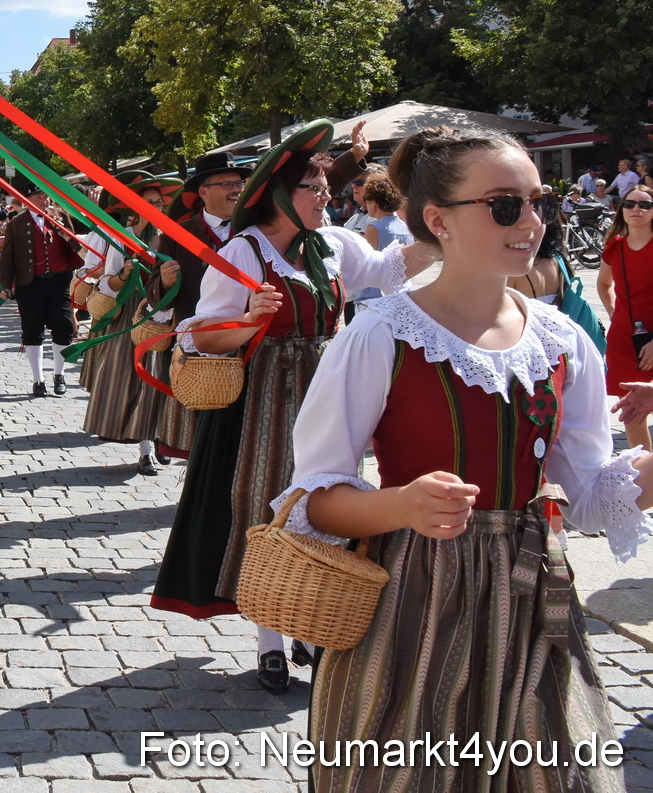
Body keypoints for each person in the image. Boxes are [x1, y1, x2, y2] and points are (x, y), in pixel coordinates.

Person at [276, 126, 652, 791]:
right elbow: (313, 501)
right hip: (412, 599)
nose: (531, 221)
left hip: (534, 600)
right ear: (438, 220)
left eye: (540, 201)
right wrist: (400, 504)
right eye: (505, 205)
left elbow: (592, 498)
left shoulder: (563, 341)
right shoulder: (380, 334)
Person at [149, 120, 438, 693]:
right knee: (267, 503)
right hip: (265, 400)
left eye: (328, 188)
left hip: (330, 389)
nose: (327, 197)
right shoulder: (244, 250)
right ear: (281, 194)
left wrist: (444, 226)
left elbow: (389, 271)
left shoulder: (333, 244)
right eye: (315, 188)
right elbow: (200, 337)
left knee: (330, 500)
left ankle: (309, 618)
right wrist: (248, 320)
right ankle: (270, 641)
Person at [78, 172, 178, 475]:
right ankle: (146, 449)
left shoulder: (169, 235)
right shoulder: (121, 237)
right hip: (131, 314)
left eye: (158, 203)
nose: (155, 208)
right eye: (149, 203)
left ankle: (161, 438)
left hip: (166, 311)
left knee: (167, 379)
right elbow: (107, 284)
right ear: (135, 206)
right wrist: (124, 275)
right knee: (138, 381)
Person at [155, 153, 245, 463]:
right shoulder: (176, 234)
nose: (236, 190)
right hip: (197, 355)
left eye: (239, 183)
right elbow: (154, 299)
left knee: (240, 437)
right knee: (199, 440)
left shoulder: (254, 230)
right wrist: (164, 283)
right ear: (203, 191)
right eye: (227, 184)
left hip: (246, 347)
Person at [0, 187, 81, 397]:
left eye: (46, 197)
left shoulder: (60, 216)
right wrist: (5, 285)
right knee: (32, 330)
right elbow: (7, 256)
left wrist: (64, 232)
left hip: (59, 281)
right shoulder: (16, 224)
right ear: (27, 200)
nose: (45, 200)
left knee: (63, 326)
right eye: (39, 197)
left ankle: (59, 374)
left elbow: (75, 244)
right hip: (30, 284)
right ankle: (38, 379)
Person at [598, 184, 653, 454]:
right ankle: (646, 470)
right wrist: (614, 313)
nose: (636, 209)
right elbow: (603, 283)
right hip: (624, 338)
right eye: (630, 204)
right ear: (621, 210)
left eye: (645, 204)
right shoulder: (615, 247)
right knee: (632, 409)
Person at [353, 173, 414, 304]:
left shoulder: (374, 228)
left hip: (373, 297)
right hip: (402, 294)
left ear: (374, 203)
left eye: (367, 200)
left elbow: (365, 264)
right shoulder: (406, 228)